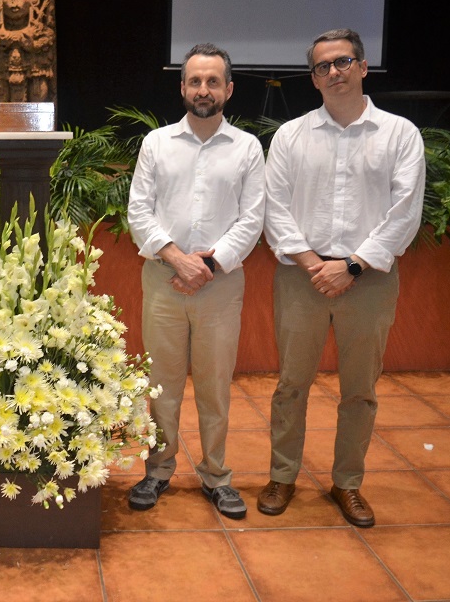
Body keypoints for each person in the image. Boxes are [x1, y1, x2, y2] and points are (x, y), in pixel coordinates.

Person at [260, 28, 426, 527]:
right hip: (301, 277)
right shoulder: (291, 135)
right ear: (313, 79)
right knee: (291, 384)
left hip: (369, 279)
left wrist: (352, 264)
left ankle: (348, 483)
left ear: (362, 66)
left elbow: (405, 212)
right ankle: (282, 476)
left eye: (342, 62)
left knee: (360, 390)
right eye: (322, 67)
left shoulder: (400, 134)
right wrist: (314, 264)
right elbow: (274, 207)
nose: (333, 72)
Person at [127, 43, 265, 519]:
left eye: (212, 81)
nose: (202, 89)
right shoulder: (156, 143)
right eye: (194, 81)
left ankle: (217, 476)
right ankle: (158, 471)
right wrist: (176, 257)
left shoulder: (247, 147)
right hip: (164, 279)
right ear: (182, 87)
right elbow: (138, 211)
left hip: (221, 285)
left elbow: (253, 219)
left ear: (228, 89)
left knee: (214, 385)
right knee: (161, 384)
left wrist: (208, 265)